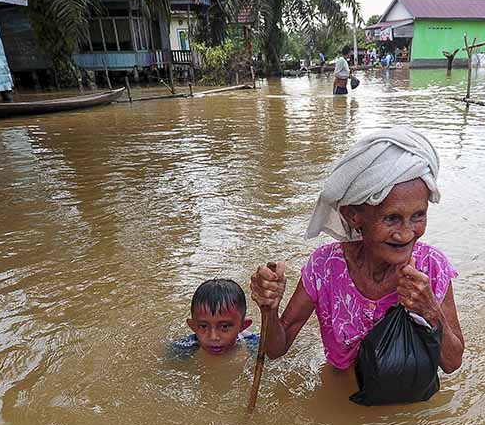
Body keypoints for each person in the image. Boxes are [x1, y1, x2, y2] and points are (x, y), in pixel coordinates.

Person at [249, 128, 464, 375]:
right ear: (353, 216)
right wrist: (269, 308)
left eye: (418, 216)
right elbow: (277, 349)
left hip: (410, 399)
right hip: (343, 390)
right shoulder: (325, 266)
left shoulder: (432, 266)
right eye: (391, 219)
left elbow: (452, 363)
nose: (406, 234)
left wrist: (429, 309)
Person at [175, 278, 258, 358]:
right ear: (193, 326)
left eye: (224, 326)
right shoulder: (183, 348)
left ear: (243, 326)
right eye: (203, 326)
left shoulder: (255, 344)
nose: (213, 337)